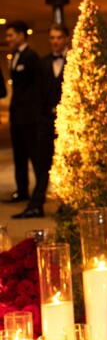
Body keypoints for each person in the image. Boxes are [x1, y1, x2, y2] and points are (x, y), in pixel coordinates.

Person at [14, 24, 69, 219]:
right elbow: (36, 93)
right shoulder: (43, 63)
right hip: (46, 121)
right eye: (52, 38)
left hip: (68, 124)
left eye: (59, 37)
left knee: (68, 164)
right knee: (43, 164)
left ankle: (66, 204)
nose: (55, 41)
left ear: (66, 39)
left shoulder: (74, 61)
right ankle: (36, 204)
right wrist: (39, 118)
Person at [4, 20, 40, 207]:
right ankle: (22, 190)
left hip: (29, 116)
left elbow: (36, 87)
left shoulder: (31, 57)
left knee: (33, 155)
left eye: (11, 35)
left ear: (21, 35)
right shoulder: (15, 57)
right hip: (17, 116)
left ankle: (38, 192)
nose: (8, 38)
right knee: (19, 156)